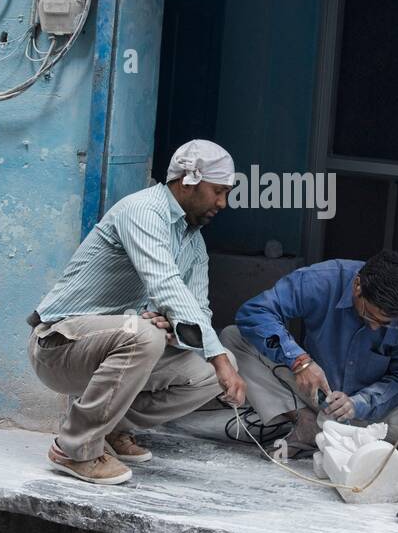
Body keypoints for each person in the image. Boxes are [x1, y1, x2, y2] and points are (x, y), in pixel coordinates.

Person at [27, 140, 246, 486]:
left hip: (115, 343)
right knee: (147, 335)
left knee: (214, 369)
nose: (222, 203)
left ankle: (111, 428)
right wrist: (199, 342)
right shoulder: (143, 211)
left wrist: (181, 331)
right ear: (189, 180)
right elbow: (166, 284)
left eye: (226, 193)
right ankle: (75, 447)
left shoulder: (193, 241)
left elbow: (197, 308)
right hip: (58, 344)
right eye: (217, 191)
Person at [222, 251, 398, 521]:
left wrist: (361, 403)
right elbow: (254, 312)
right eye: (371, 315)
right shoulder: (322, 280)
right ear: (357, 286)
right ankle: (305, 423)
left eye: (386, 324)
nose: (375, 328)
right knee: (234, 338)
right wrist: (300, 362)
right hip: (319, 395)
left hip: (380, 412)